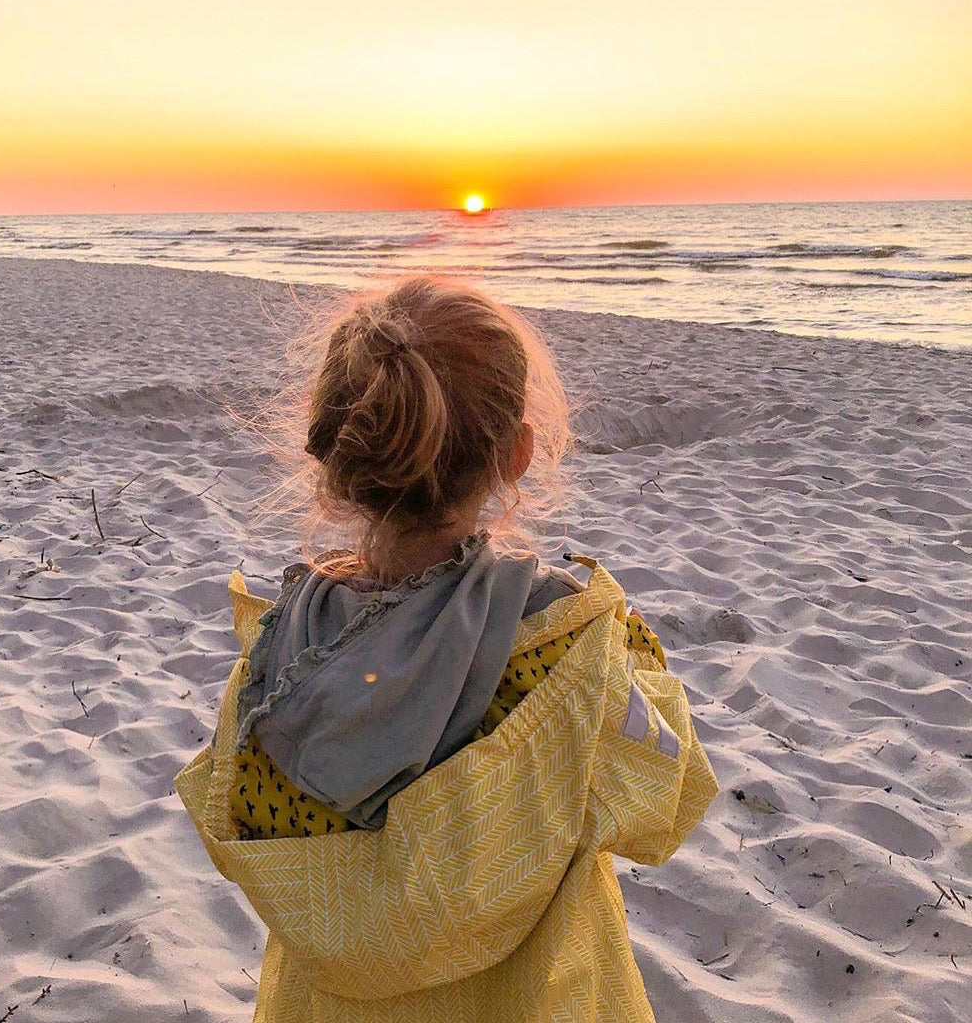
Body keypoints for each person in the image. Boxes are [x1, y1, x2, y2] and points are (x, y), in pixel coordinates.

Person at [175, 277, 718, 1022]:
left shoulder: (277, 663)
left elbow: (236, 812)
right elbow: (668, 800)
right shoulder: (570, 644)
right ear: (518, 454)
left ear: (336, 457)